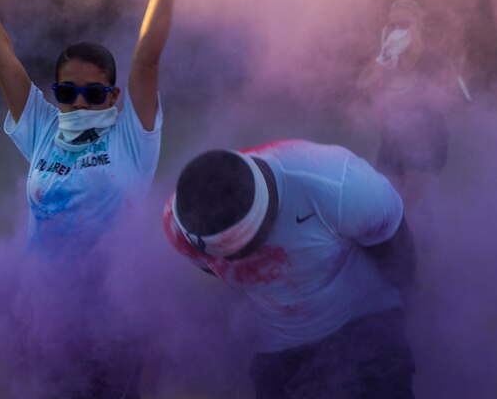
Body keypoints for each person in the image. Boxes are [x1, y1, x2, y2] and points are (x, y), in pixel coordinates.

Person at [0, 0, 197, 398]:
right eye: (68, 92)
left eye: (95, 94)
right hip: (47, 311)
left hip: (117, 314)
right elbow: (0, 55)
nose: (80, 103)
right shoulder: (41, 127)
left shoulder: (131, 135)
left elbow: (148, 56)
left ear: (114, 97)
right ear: (54, 94)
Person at [163, 140, 417, 399]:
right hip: (277, 345)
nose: (237, 261)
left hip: (363, 318)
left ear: (265, 219)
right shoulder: (179, 227)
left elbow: (395, 249)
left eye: (243, 250)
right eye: (224, 256)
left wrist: (410, 309)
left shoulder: (338, 183)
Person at [356, 0, 462, 209]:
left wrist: (430, 96)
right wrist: (379, 61)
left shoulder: (437, 62)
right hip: (391, 143)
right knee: (385, 204)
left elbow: (460, 103)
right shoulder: (387, 62)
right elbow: (362, 87)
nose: (397, 31)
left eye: (404, 25)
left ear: (419, 25)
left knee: (410, 206)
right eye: (392, 26)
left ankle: (427, 238)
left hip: (427, 144)